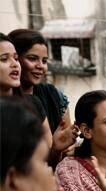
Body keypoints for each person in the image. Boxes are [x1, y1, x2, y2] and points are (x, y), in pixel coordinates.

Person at [8, 29, 77, 165]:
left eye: (44, 61)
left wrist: (68, 147)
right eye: (32, 58)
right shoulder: (7, 102)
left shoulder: (55, 97)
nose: (40, 66)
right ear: (15, 59)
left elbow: (66, 148)